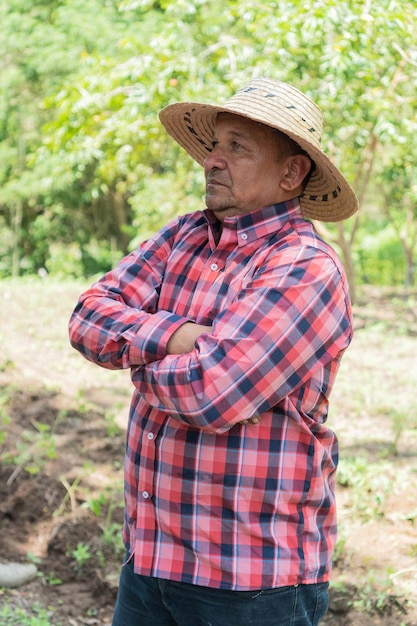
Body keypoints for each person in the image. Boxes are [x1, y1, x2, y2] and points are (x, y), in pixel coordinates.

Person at [68, 77, 358, 626]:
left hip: (250, 581)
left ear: (291, 172)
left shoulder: (305, 267)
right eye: (215, 143)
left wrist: (132, 354)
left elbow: (211, 391)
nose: (212, 159)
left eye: (237, 147)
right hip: (151, 560)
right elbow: (87, 316)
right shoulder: (184, 236)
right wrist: (178, 338)